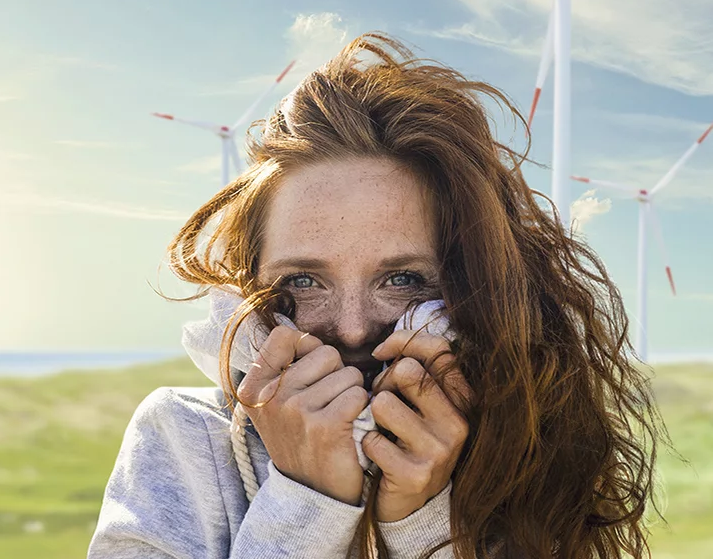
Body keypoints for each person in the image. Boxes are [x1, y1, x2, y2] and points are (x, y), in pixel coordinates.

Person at [85, 33, 662, 559]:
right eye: (303, 281)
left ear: (466, 288)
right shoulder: (184, 438)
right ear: (249, 288)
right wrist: (306, 505)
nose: (354, 329)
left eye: (403, 279)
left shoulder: (521, 445)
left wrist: (421, 522)